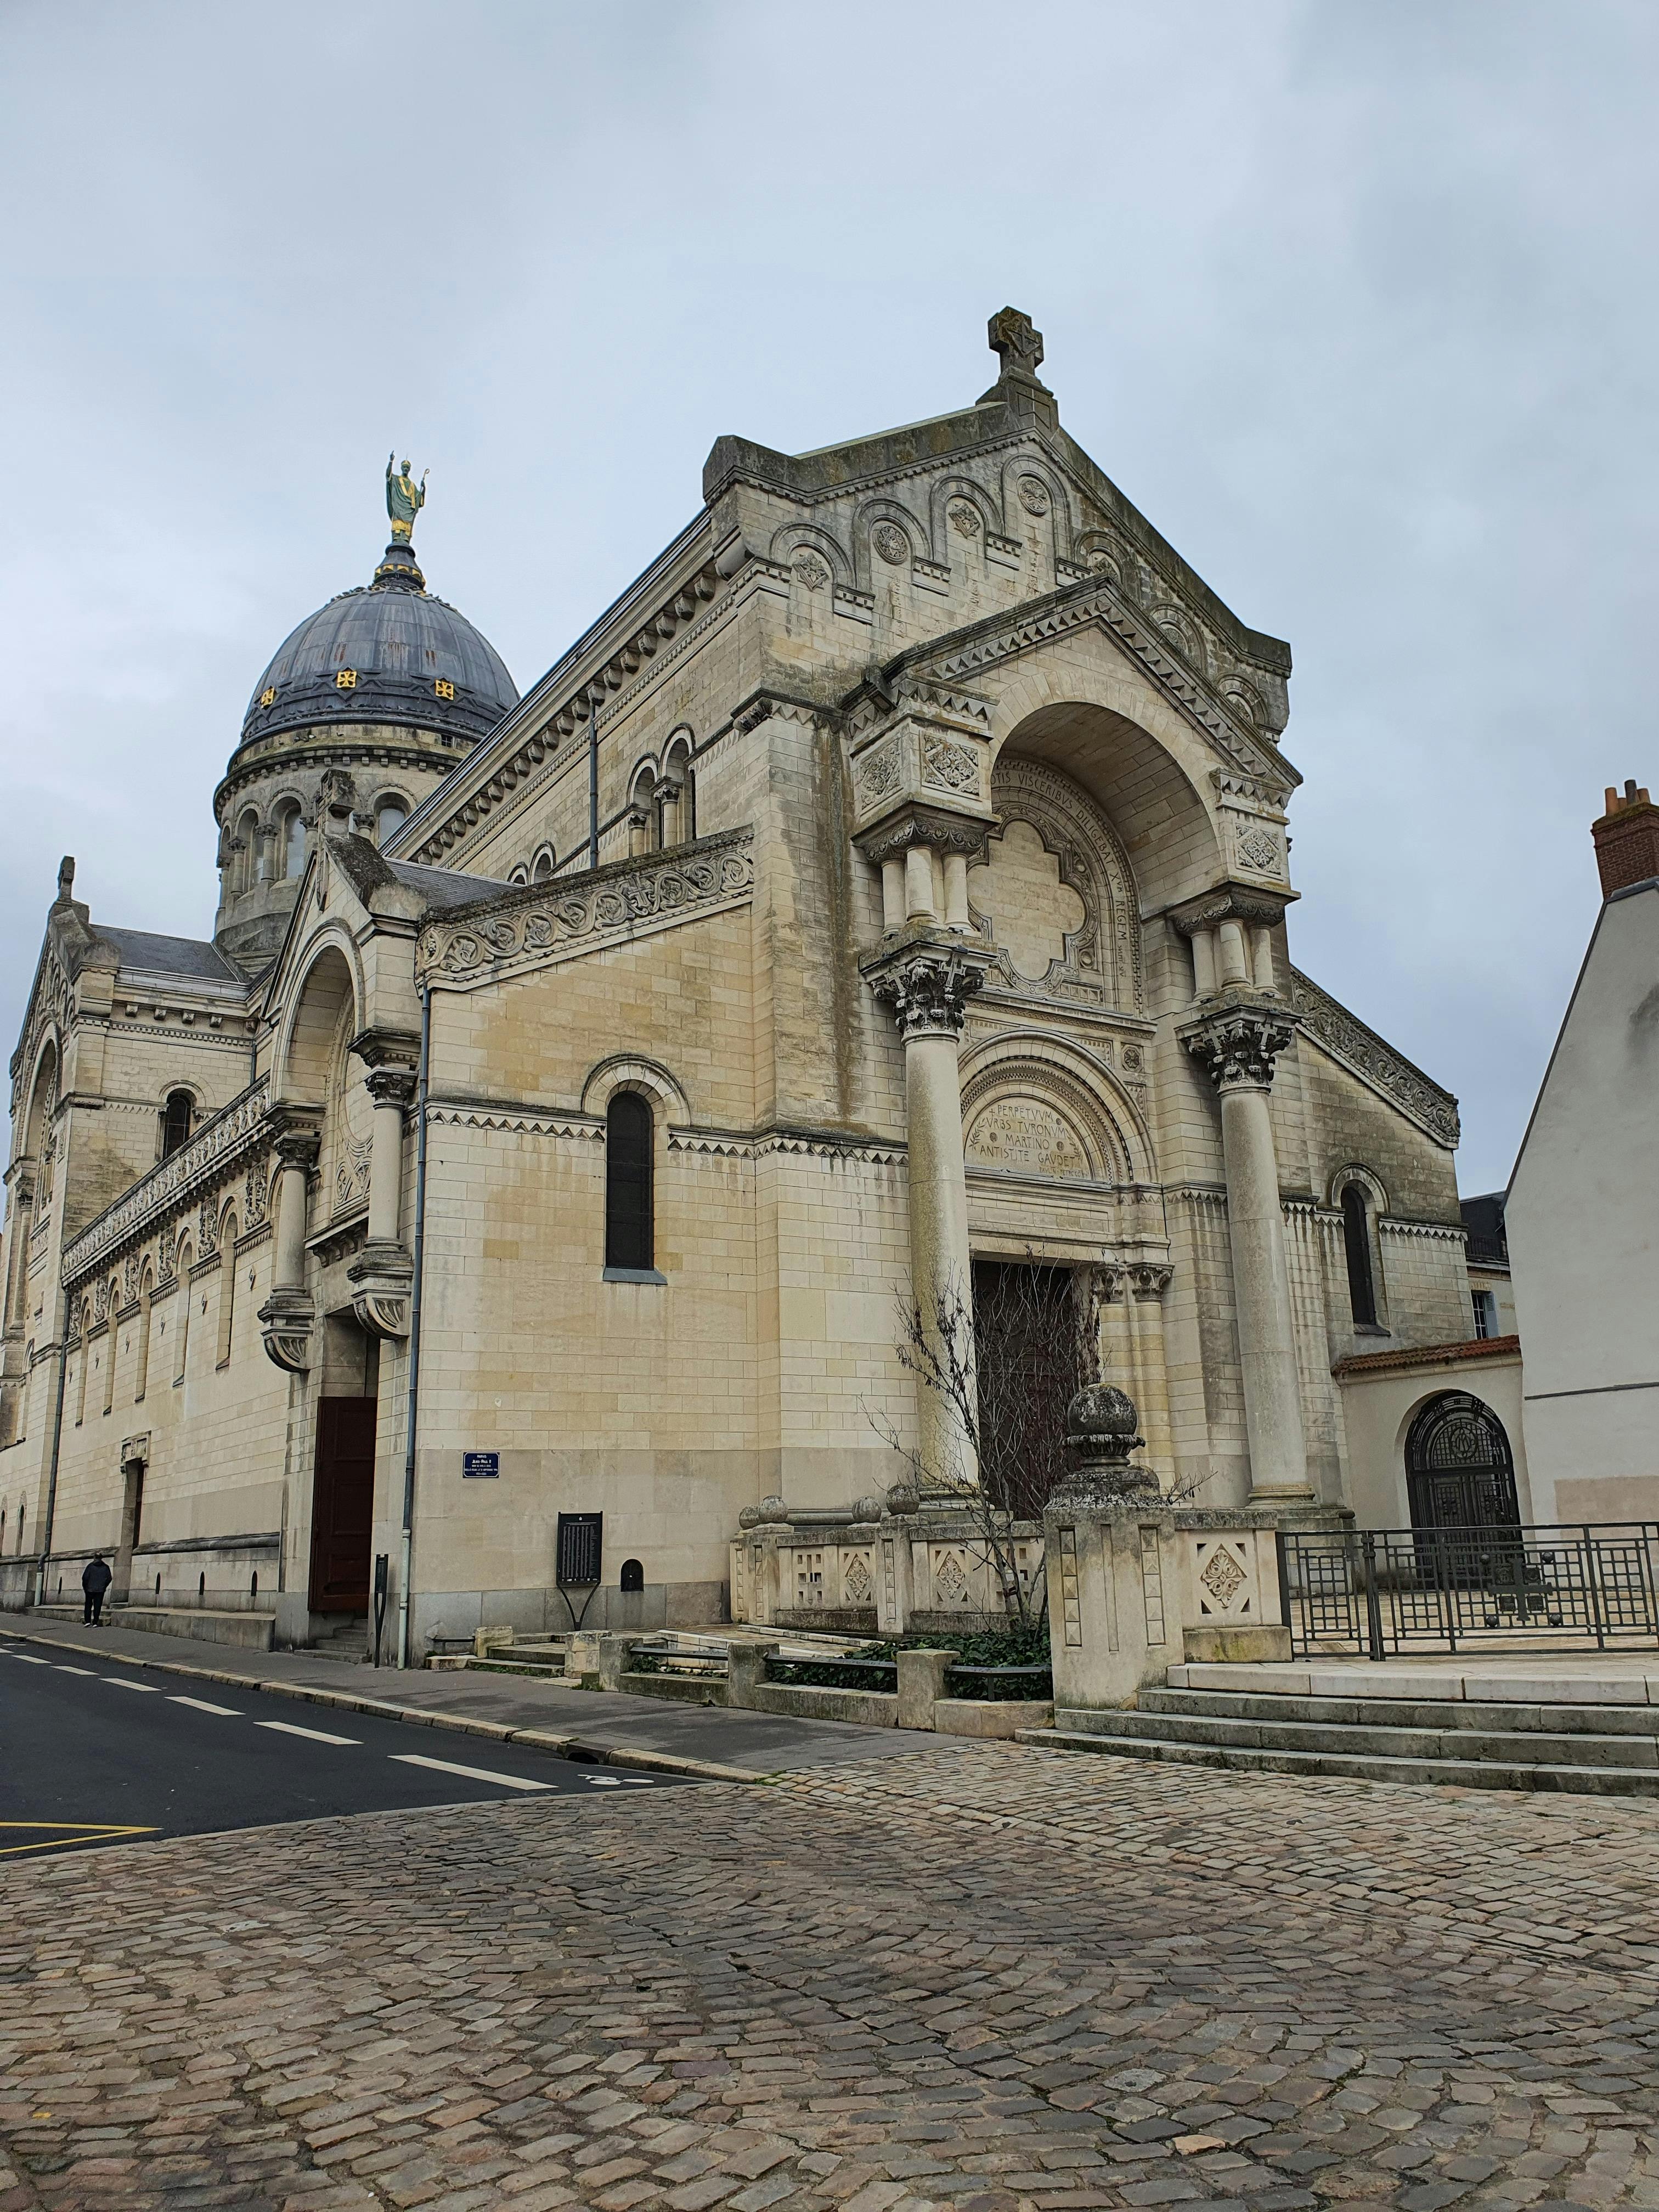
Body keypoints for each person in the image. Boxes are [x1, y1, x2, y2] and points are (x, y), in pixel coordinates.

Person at [81, 1553, 112, 1627]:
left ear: (95, 1558)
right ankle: (95, 1622)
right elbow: (109, 1578)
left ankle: (88, 1621)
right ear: (101, 1558)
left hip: (89, 1589)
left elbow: (85, 1578)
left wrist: (86, 1588)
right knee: (98, 1606)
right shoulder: (105, 1567)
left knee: (88, 1605)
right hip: (100, 1590)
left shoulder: (90, 1566)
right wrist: (104, 1586)